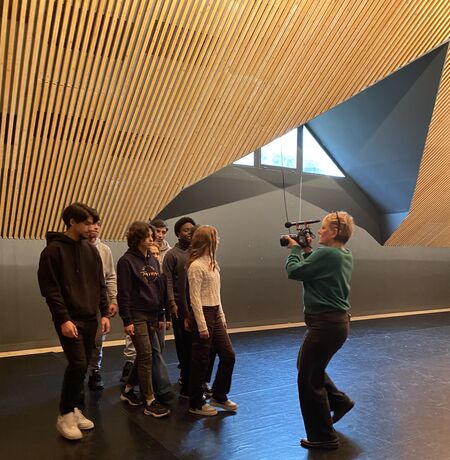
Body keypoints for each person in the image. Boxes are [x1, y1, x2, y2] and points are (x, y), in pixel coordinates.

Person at [38, 203, 110, 440]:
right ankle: (65, 414)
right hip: (70, 319)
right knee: (78, 363)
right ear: (72, 222)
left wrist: (105, 314)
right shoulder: (53, 251)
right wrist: (63, 319)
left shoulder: (91, 251)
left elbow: (100, 284)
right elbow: (51, 290)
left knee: (86, 364)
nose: (92, 228)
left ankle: (77, 409)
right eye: (87, 223)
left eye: (93, 223)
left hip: (90, 317)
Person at [284, 211, 355, 450]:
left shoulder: (326, 254)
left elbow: (296, 272)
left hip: (325, 325)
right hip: (334, 324)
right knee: (309, 369)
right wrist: (306, 251)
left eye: (323, 228)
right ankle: (340, 402)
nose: (319, 231)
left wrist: (294, 249)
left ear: (334, 232)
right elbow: (316, 269)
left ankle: (323, 436)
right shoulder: (342, 254)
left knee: (308, 379)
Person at [117, 221, 170, 418]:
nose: (152, 238)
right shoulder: (126, 261)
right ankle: (150, 400)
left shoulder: (153, 260)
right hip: (136, 315)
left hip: (152, 314)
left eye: (152, 235)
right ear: (138, 238)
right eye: (148, 236)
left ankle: (129, 389)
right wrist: (127, 320)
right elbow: (124, 293)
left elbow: (159, 289)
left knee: (142, 355)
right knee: (146, 354)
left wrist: (162, 314)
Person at [186, 225, 237, 416]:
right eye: (216, 237)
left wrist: (221, 316)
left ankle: (219, 395)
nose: (219, 240)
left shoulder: (214, 265)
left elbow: (216, 294)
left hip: (215, 312)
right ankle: (196, 403)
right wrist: (201, 324)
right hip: (204, 314)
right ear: (209, 241)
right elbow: (195, 298)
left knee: (228, 355)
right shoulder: (196, 266)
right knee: (201, 360)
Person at [162, 216, 196, 398]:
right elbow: (167, 280)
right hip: (179, 307)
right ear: (177, 234)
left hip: (195, 306)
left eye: (191, 229)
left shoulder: (197, 252)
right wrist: (172, 304)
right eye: (185, 230)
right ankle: (184, 374)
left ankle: (195, 377)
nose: (189, 233)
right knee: (183, 343)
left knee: (195, 344)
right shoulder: (171, 255)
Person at [86, 216, 118, 391]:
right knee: (80, 341)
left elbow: (111, 276)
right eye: (91, 224)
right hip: (81, 302)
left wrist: (113, 299)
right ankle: (79, 374)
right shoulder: (75, 248)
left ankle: (95, 371)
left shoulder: (105, 249)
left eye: (98, 224)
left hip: (100, 301)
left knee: (98, 339)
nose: (95, 228)